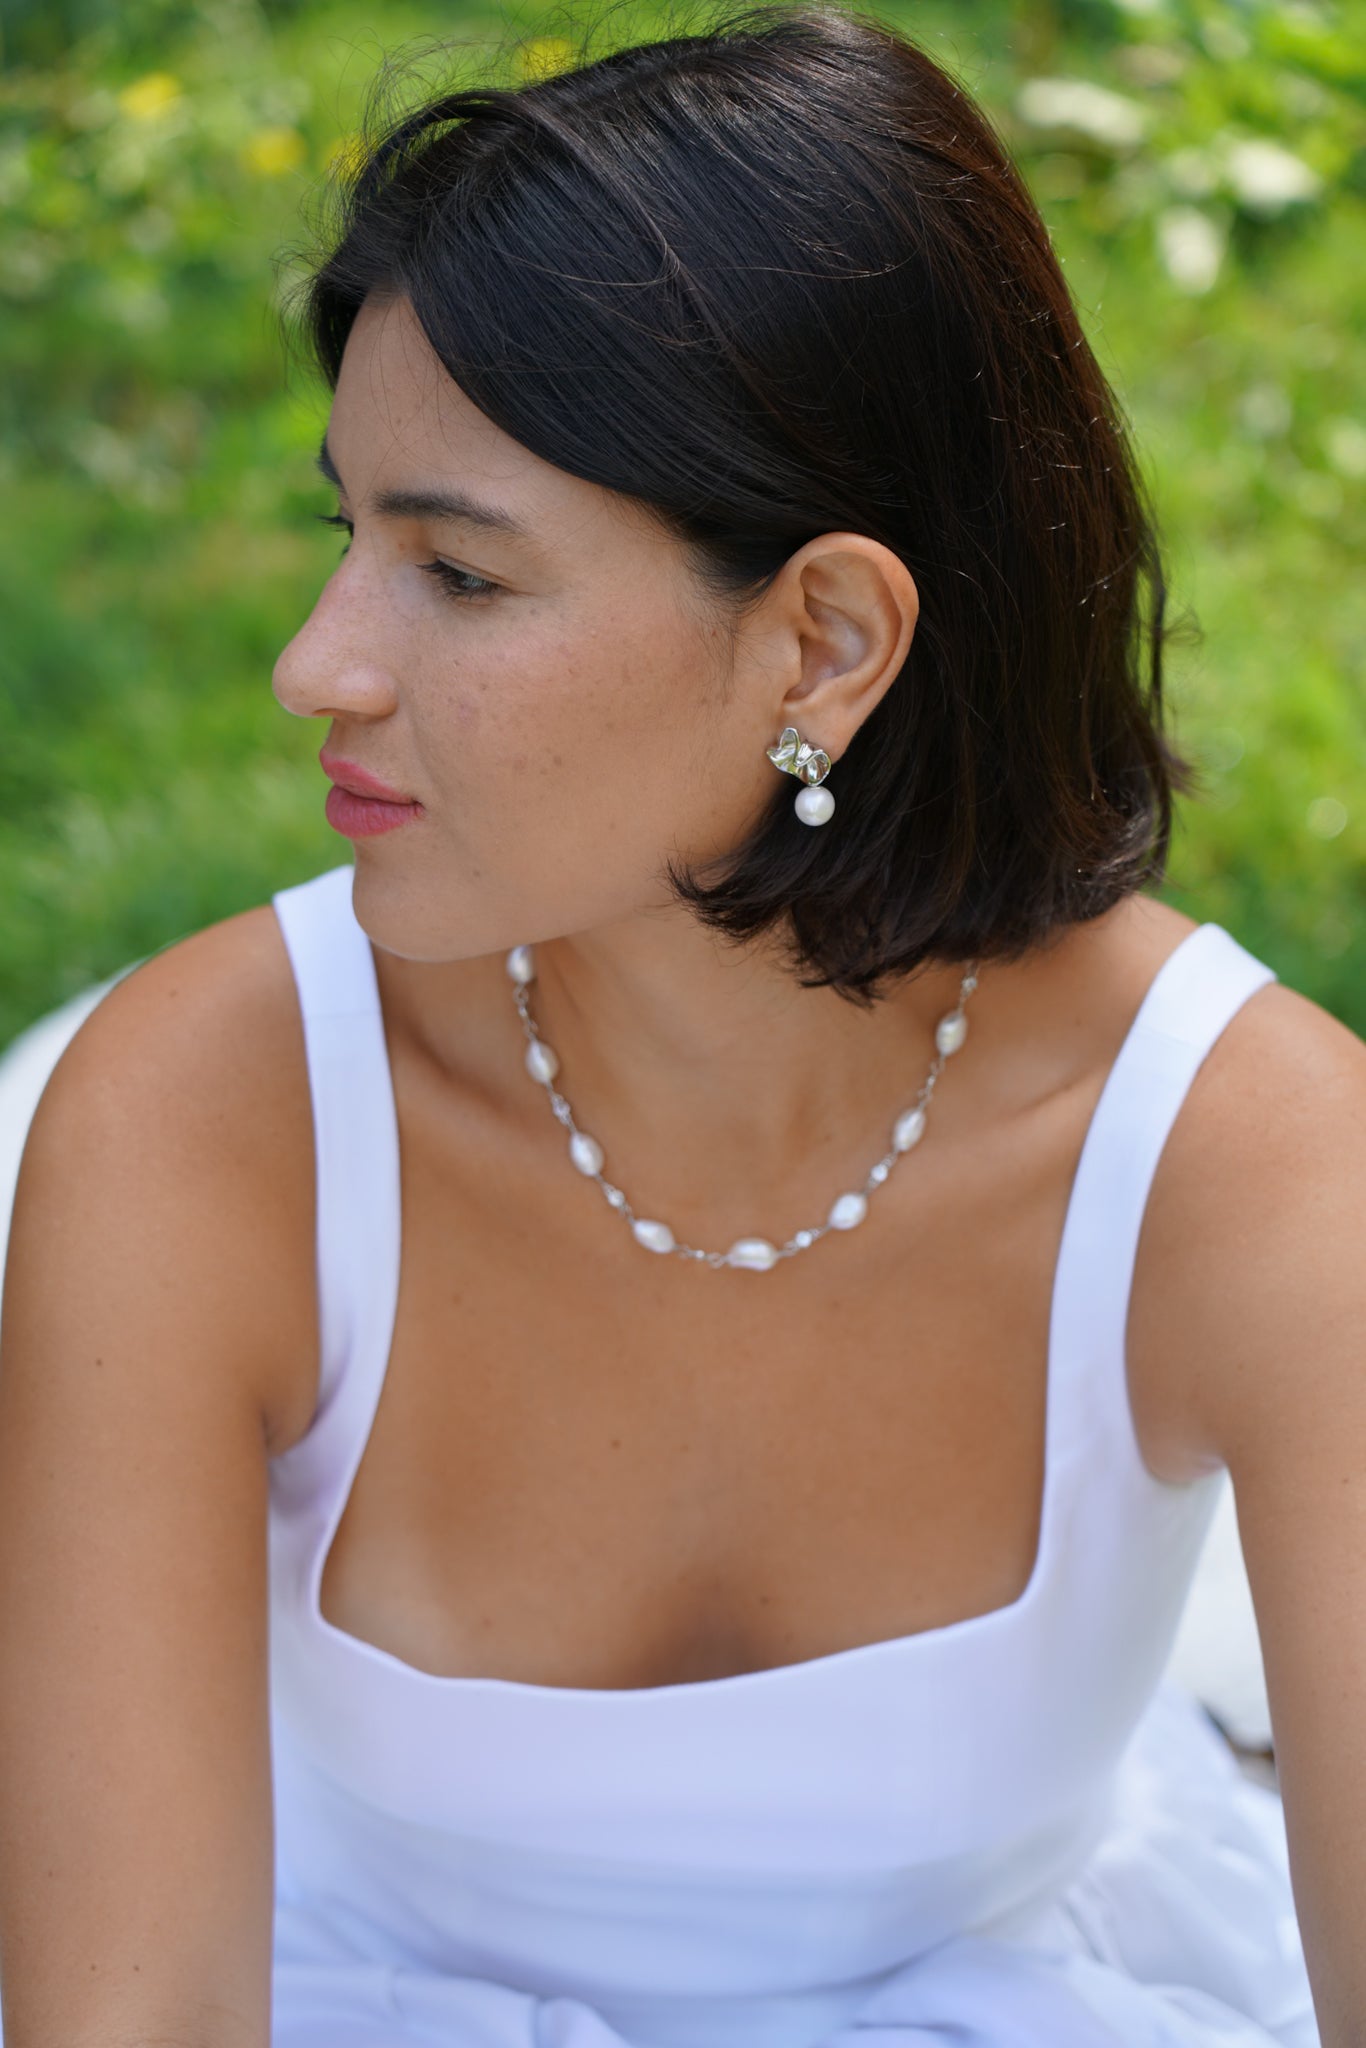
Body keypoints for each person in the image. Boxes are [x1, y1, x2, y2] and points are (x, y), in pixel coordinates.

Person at [1, 3, 1362, 2041]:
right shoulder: (207, 1118)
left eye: (456, 577)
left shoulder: (1252, 1168)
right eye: (341, 532)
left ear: (822, 640)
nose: (313, 666)